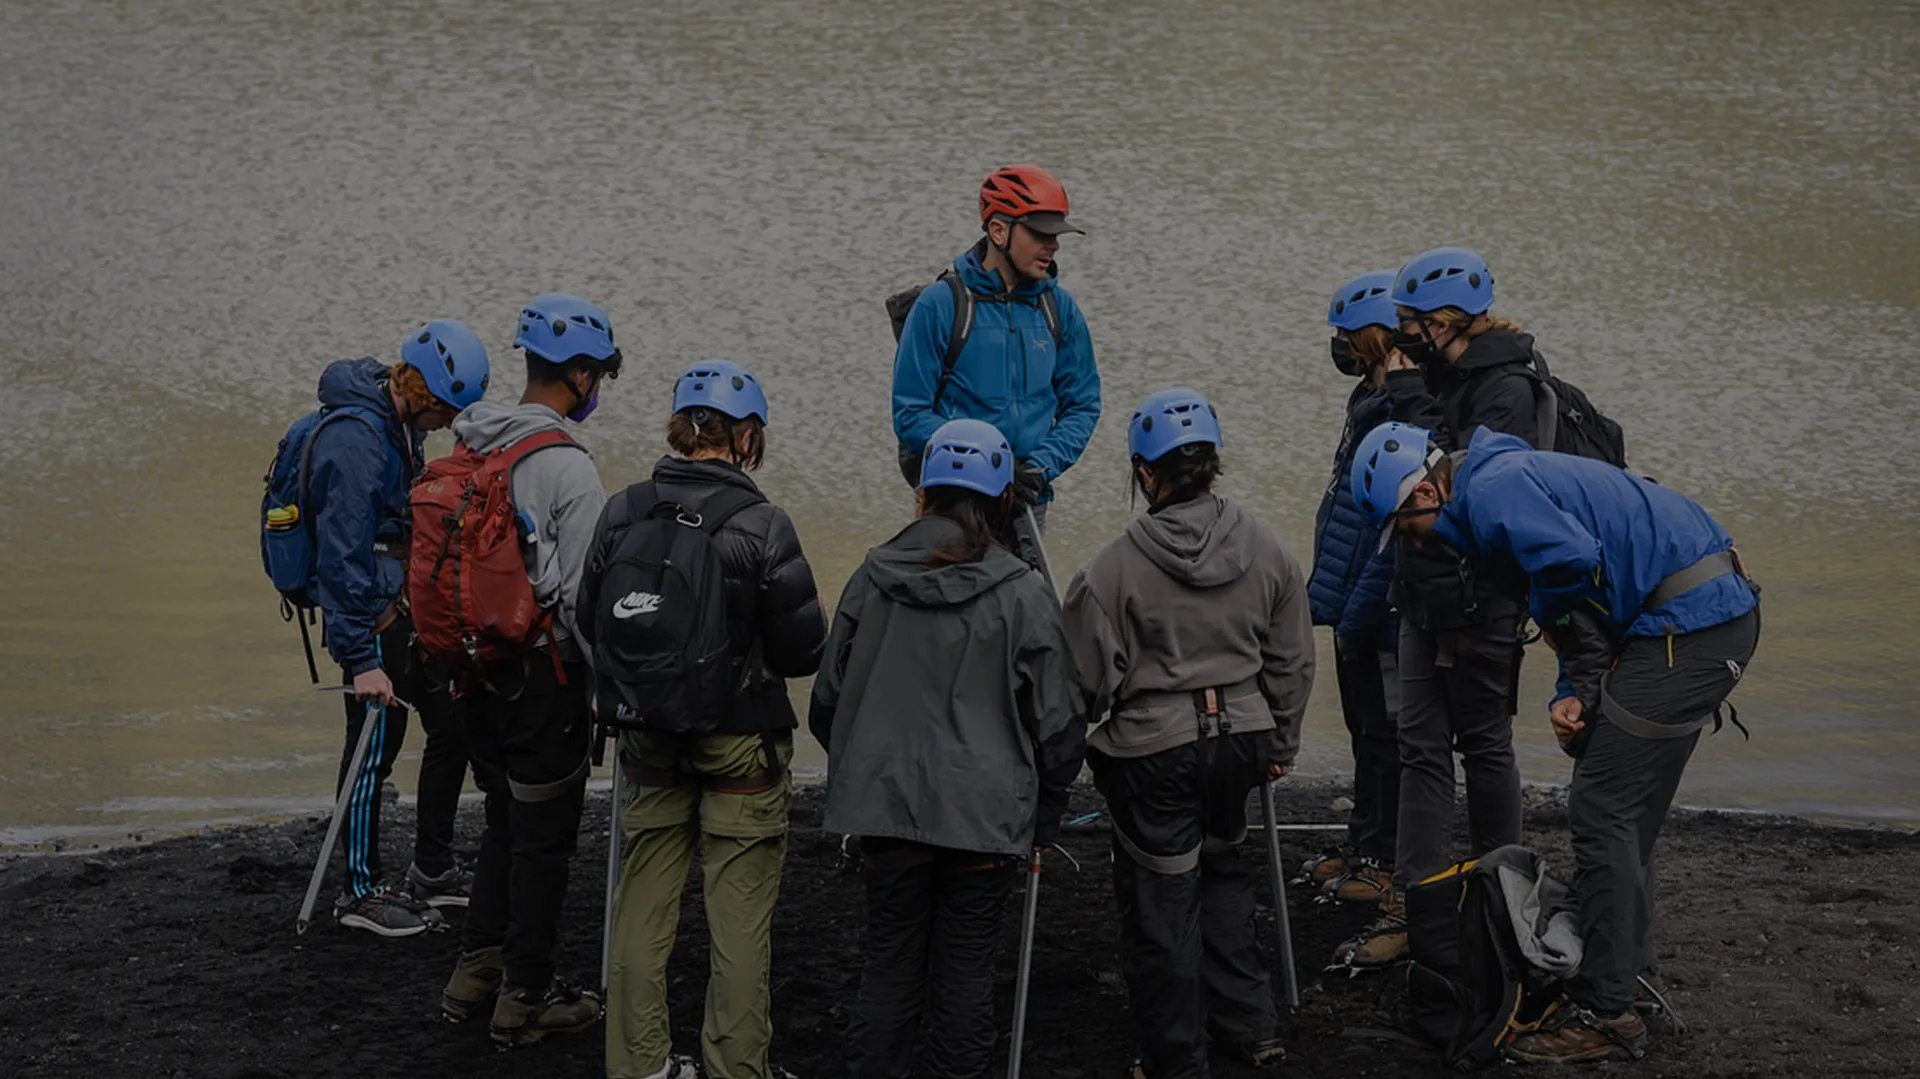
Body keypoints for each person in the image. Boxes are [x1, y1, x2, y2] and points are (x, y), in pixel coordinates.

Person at [1350, 422, 1760, 1065]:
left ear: (1427, 494)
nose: (1410, 540)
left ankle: (1607, 1011)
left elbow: (1570, 564)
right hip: (1697, 619)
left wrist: (1587, 678)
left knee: (1602, 808)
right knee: (1627, 806)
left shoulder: (1491, 492)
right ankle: (1625, 973)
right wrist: (1575, 688)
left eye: (1404, 525)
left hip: (1692, 625)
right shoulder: (1495, 483)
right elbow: (1573, 590)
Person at [809, 418, 1085, 1079]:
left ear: (924, 494)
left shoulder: (871, 577)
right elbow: (1059, 727)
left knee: (890, 965)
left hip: (885, 808)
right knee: (964, 973)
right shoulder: (1021, 591)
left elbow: (827, 702)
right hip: (983, 819)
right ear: (1000, 501)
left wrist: (867, 766)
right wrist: (1042, 805)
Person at [1063, 388, 1315, 1076]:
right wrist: (1283, 741)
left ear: (1146, 474)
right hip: (1242, 740)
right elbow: (1293, 658)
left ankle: (1175, 1057)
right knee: (1224, 868)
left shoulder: (1109, 567)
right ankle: (1251, 1025)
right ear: (1212, 465)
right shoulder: (1267, 545)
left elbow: (1084, 686)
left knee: (1162, 899)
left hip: (1155, 750)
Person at [590, 361, 827, 1079]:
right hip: (740, 746)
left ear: (677, 429)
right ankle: (735, 1068)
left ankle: (639, 1066)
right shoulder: (763, 525)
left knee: (641, 910)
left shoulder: (623, 510)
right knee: (739, 922)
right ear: (747, 436)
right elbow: (801, 647)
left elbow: (586, 619)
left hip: (648, 736)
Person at [1336, 246, 1542, 968]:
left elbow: (1465, 482)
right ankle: (1415, 904)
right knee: (1421, 746)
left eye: (1414, 322)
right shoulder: (1448, 373)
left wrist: (1411, 398)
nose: (1405, 336)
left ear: (1450, 318)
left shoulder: (1506, 389)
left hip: (1482, 599)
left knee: (1484, 747)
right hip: (1420, 585)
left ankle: (1502, 899)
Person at [438, 293, 621, 1047]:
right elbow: (582, 600)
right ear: (578, 374)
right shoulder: (568, 469)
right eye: (600, 374)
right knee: (544, 840)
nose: (600, 387)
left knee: (503, 823)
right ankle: (525, 998)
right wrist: (607, 686)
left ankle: (472, 971)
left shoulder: (475, 440)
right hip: (542, 681)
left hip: (474, 672)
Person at [304, 319, 490, 937]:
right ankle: (358, 892)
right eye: (447, 410)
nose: (448, 423)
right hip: (369, 617)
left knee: (451, 722)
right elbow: (339, 557)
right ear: (425, 394)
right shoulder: (358, 443)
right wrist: (360, 659)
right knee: (372, 750)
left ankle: (431, 869)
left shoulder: (397, 425)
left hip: (402, 607)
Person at [889, 163, 1101, 529]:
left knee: (1026, 590)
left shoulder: (1060, 309)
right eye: (1040, 233)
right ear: (999, 230)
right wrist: (987, 465)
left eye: (1056, 234)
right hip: (953, 501)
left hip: (1026, 502)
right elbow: (910, 414)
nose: (1053, 244)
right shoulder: (939, 305)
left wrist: (1037, 468)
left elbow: (1082, 405)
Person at [1300, 271, 1403, 905]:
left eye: (1345, 333)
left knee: (1389, 733)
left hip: (1382, 594)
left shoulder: (1403, 404)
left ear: (1376, 334)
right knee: (1363, 725)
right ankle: (1364, 843)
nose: (1338, 344)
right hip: (1348, 588)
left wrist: (1366, 595)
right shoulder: (1368, 396)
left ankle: (1389, 859)